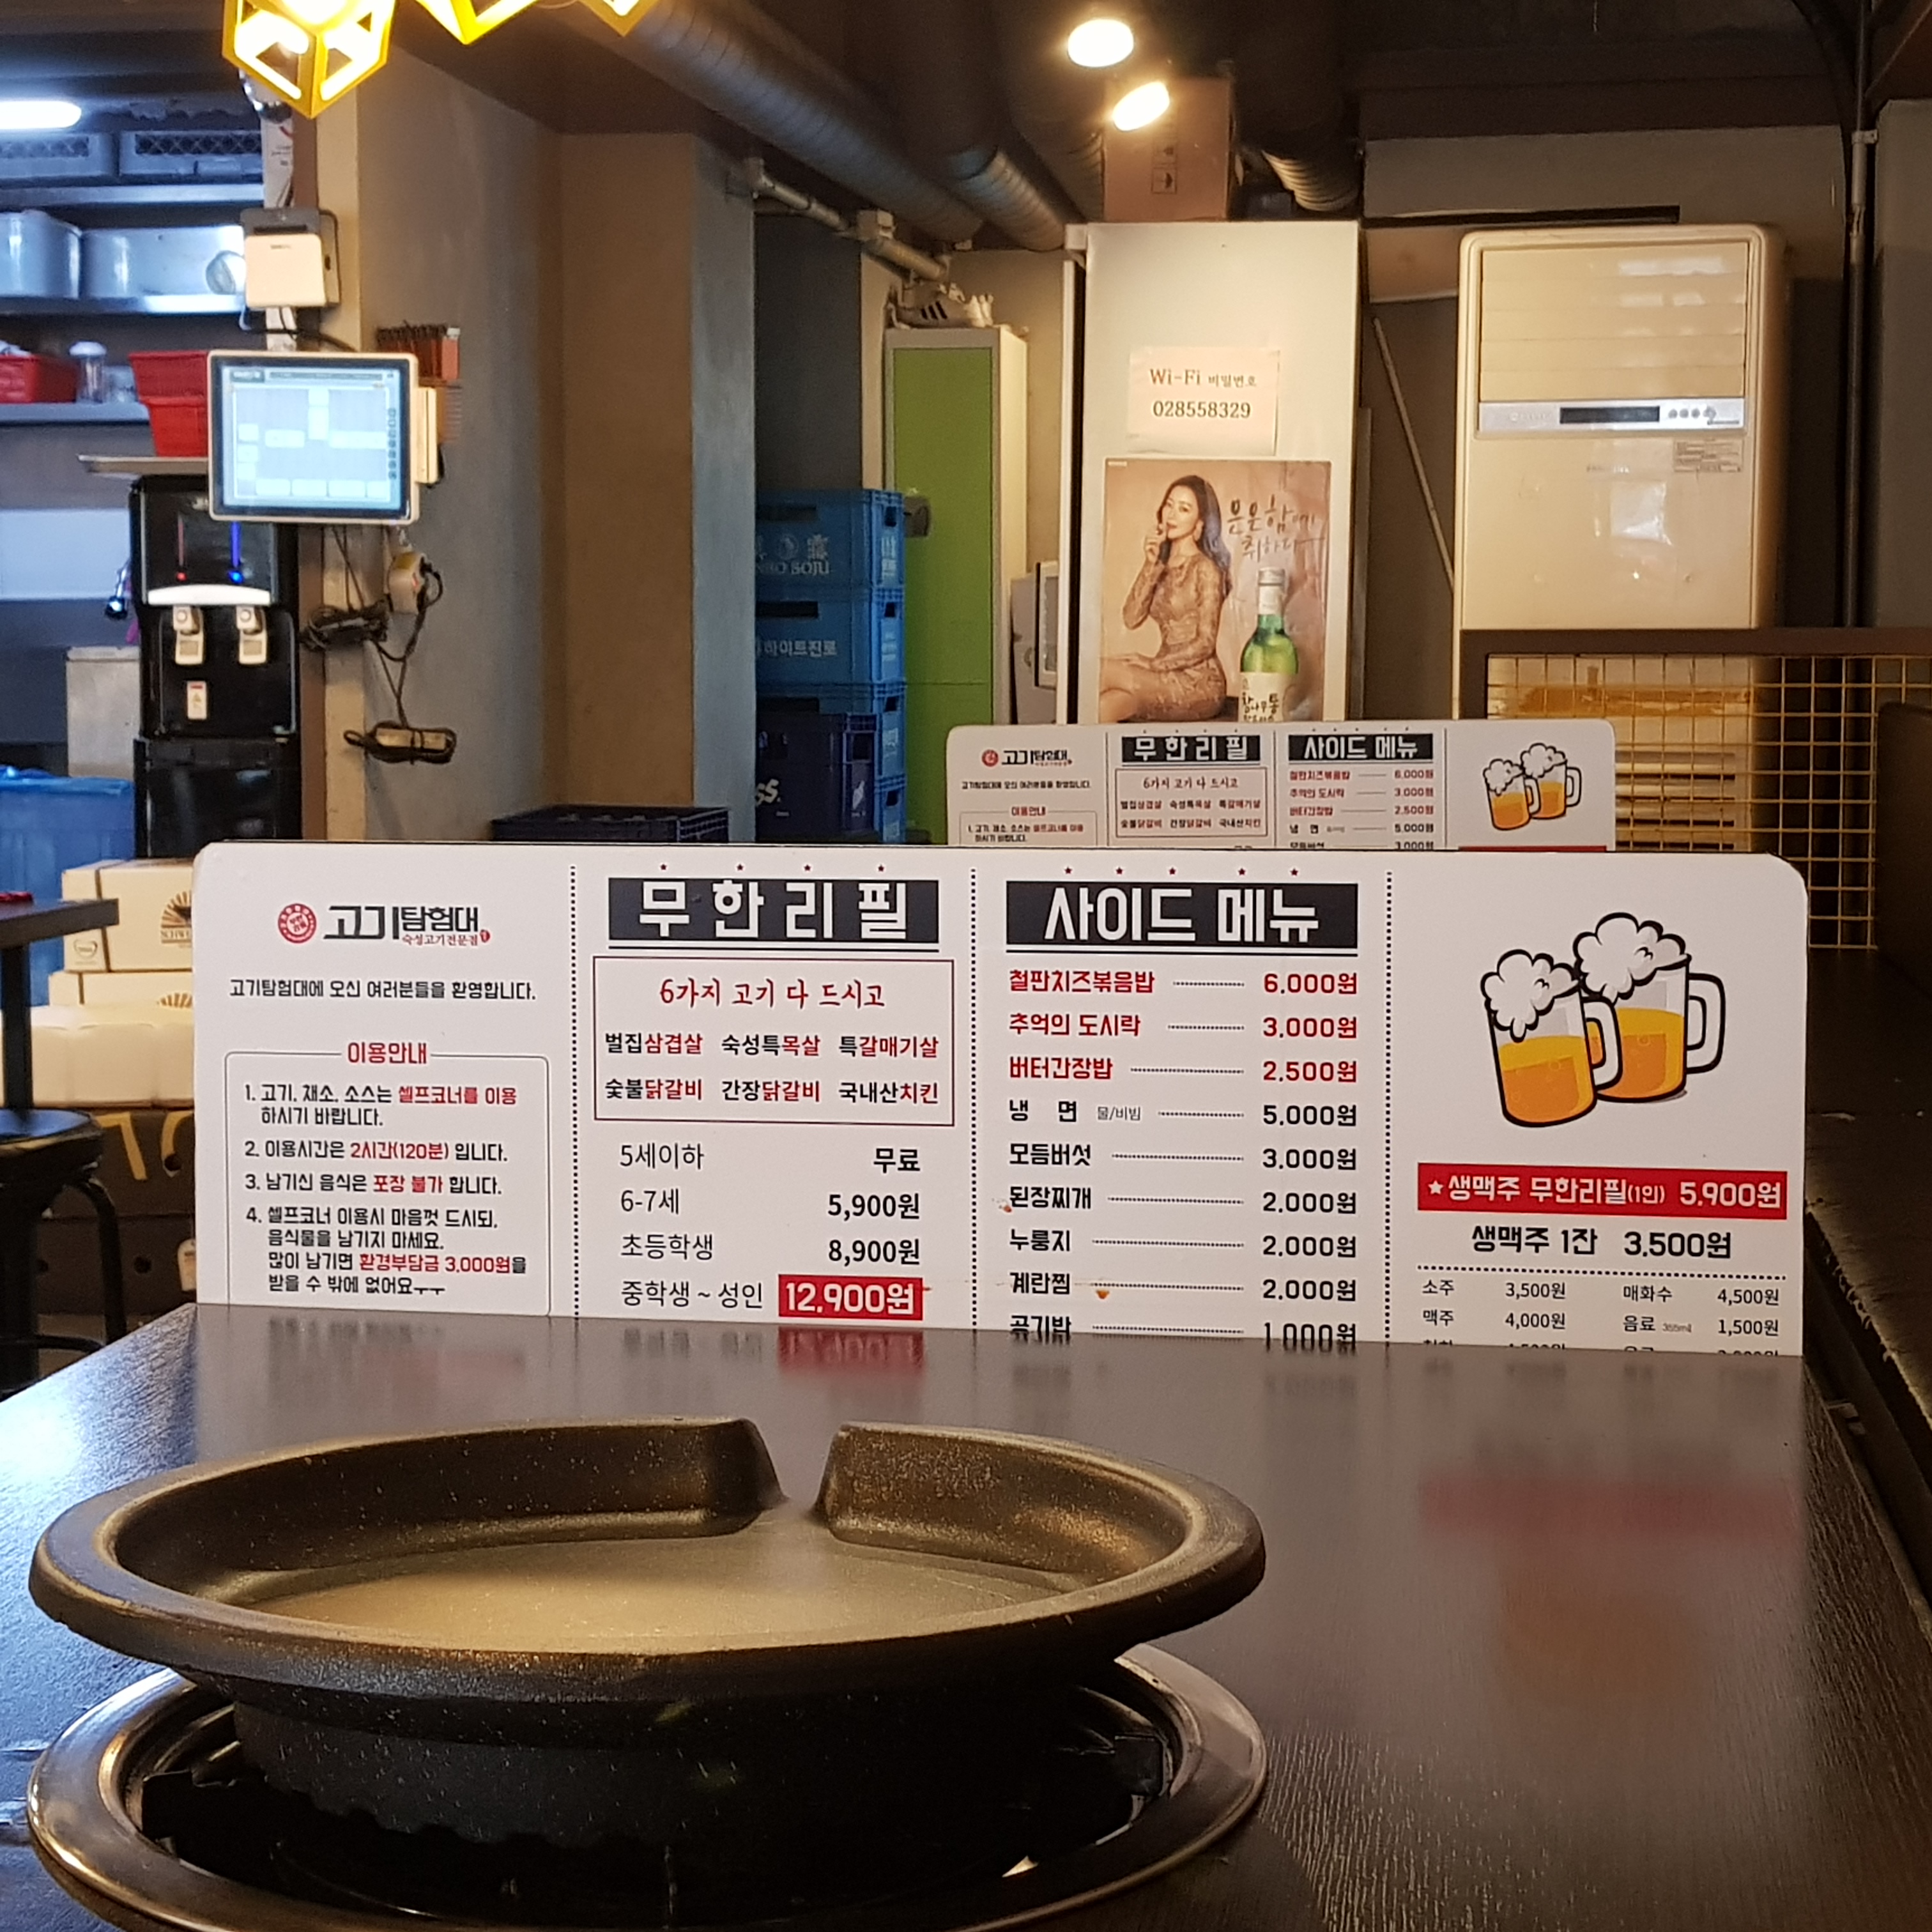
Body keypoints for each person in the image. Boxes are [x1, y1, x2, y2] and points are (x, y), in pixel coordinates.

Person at [1100, 475, 1232, 723]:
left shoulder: (1206, 569)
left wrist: (1154, 665)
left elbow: (1206, 642)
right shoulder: (1160, 565)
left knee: (1100, 671)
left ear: (1200, 523)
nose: (1172, 515)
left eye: (1184, 509)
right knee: (1106, 706)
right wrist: (1151, 564)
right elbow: (1131, 618)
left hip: (1198, 682)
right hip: (1162, 676)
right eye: (1169, 505)